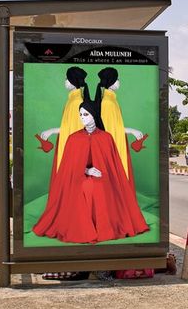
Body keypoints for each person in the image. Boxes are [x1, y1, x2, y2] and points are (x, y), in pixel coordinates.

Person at [33, 99, 149, 244]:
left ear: (94, 115)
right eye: (80, 114)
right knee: (87, 187)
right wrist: (87, 171)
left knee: (98, 187)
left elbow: (114, 168)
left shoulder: (106, 138)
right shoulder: (73, 139)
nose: (82, 118)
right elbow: (68, 168)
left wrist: (101, 174)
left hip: (103, 178)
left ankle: (103, 227)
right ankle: (83, 228)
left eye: (86, 114)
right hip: (77, 179)